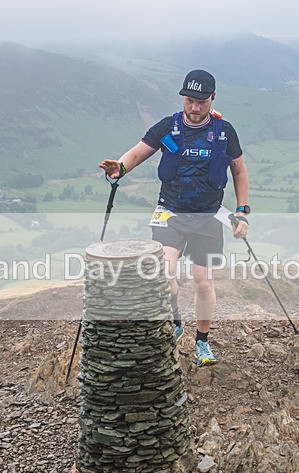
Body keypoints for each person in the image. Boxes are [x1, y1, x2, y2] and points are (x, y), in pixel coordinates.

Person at [99, 69, 250, 367]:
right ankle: (176, 323)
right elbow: (138, 153)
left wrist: (242, 212)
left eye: (201, 102)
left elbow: (239, 171)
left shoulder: (224, 131)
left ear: (212, 98)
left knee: (203, 283)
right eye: (189, 100)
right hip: (170, 212)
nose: (195, 107)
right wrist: (120, 167)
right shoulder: (168, 126)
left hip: (208, 215)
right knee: (165, 275)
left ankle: (202, 342)